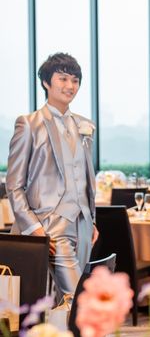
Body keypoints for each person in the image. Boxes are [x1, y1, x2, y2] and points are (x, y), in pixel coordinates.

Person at [6, 53, 98, 303]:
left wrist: (91, 219)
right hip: (49, 225)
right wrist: (35, 229)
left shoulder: (85, 125)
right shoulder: (29, 124)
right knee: (78, 298)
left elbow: (85, 178)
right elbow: (14, 185)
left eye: (75, 80)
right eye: (63, 79)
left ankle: (59, 331)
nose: (70, 86)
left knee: (64, 301)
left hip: (82, 224)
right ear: (46, 82)